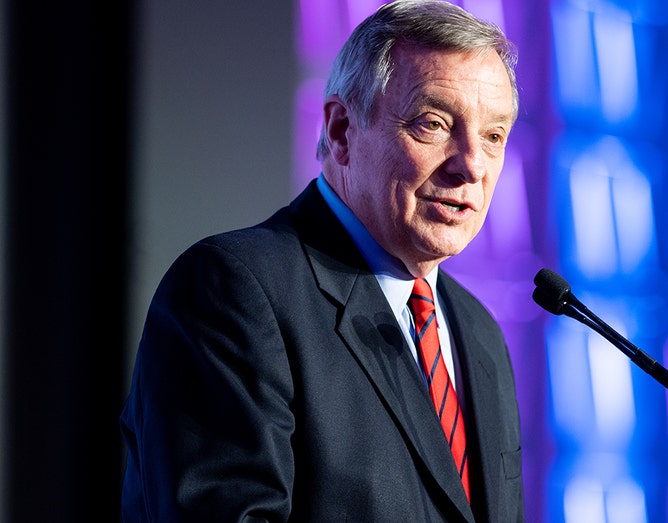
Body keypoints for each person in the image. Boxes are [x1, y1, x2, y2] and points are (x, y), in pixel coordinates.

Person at [119, 0, 524, 521]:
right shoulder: (234, 291)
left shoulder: (479, 333)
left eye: (493, 136)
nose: (471, 165)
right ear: (339, 130)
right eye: (434, 123)